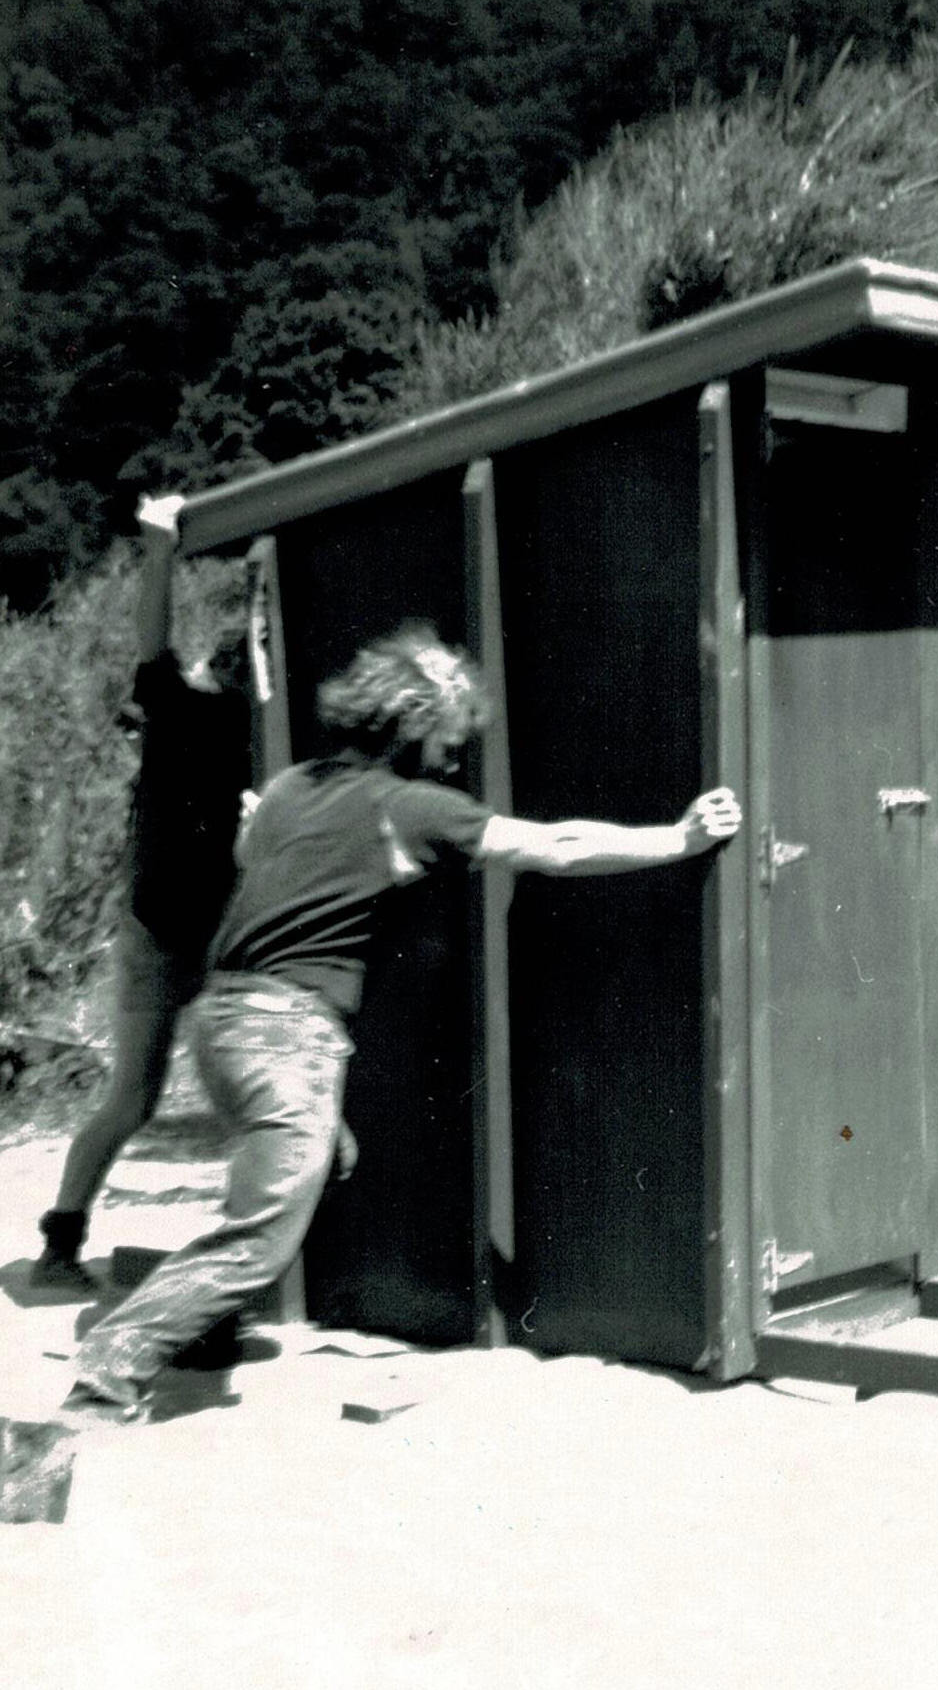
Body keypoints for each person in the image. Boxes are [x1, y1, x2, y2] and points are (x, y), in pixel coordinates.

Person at [63, 624, 741, 1421]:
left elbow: (255, 856)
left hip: (224, 1021)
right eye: (450, 742)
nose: (455, 760)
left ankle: (204, 1329)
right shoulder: (411, 806)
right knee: (262, 1233)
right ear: (414, 727)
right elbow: (552, 845)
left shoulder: (289, 787)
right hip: (286, 1033)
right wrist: (679, 837)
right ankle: (107, 1372)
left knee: (311, 1169)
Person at [31, 494, 254, 1295]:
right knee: (133, 1096)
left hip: (222, 928)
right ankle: (61, 1241)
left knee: (252, 1083)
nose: (224, 662)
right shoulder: (175, 702)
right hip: (159, 931)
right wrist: (160, 548)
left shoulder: (243, 721)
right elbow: (152, 641)